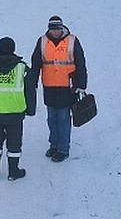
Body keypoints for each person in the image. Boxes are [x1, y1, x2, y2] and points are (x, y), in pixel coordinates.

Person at [0, 36, 36, 180]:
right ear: (13, 49)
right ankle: (13, 172)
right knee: (14, 144)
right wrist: (30, 110)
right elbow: (30, 90)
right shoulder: (22, 67)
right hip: (15, 113)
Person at [30, 15, 87, 163]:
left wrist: (81, 85)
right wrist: (32, 82)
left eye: (58, 29)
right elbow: (36, 63)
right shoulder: (42, 41)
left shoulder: (72, 41)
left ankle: (63, 148)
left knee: (63, 118)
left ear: (62, 28)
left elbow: (81, 63)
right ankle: (53, 145)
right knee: (51, 118)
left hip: (67, 87)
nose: (56, 32)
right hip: (49, 86)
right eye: (53, 29)